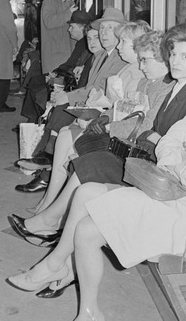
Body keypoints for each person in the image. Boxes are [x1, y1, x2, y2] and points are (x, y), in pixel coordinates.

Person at [6, 54, 186, 321]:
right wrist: (183, 157)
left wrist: (178, 158)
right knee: (85, 193)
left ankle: (85, 310)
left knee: (86, 231)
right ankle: (58, 266)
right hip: (174, 192)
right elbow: (172, 137)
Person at [10, 22, 186, 255]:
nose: (175, 62)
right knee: (86, 160)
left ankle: (53, 229)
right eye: (174, 55)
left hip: (159, 172)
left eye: (185, 56)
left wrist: (134, 131)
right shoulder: (178, 86)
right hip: (148, 155)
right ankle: (54, 228)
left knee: (89, 162)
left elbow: (160, 133)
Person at [15, 27, 168, 218]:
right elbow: (125, 107)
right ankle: (50, 202)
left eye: (123, 42)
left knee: (75, 145)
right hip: (119, 130)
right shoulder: (145, 79)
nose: (141, 64)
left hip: (130, 144)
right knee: (66, 135)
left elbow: (140, 122)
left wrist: (104, 124)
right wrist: (104, 118)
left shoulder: (148, 79)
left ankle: (51, 207)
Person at [17, 7, 128, 169]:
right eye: (102, 28)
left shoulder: (118, 58)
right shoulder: (103, 55)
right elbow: (91, 86)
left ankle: (45, 158)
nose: (103, 33)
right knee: (56, 101)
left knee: (62, 106)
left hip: (105, 108)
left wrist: (68, 97)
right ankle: (43, 158)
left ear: (120, 32)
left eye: (109, 28)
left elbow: (100, 89)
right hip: (93, 100)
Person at [19, 9, 94, 124]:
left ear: (82, 28)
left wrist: (56, 74)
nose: (69, 30)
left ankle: (34, 121)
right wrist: (55, 72)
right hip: (66, 75)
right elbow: (69, 63)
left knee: (37, 84)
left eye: (72, 27)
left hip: (69, 80)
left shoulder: (85, 45)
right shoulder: (81, 43)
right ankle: (33, 120)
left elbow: (71, 65)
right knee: (34, 81)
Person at [40, 0, 77, 74]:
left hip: (67, 49)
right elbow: (49, 22)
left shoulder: (69, 1)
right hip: (56, 51)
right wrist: (68, 14)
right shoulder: (50, 0)